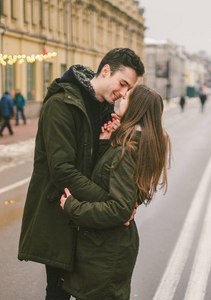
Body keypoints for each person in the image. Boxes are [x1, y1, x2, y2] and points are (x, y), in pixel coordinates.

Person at [18, 48, 145, 300]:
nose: (122, 94)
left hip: (85, 216)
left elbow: (102, 168)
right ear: (106, 70)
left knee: (85, 289)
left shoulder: (105, 109)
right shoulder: (61, 104)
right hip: (60, 214)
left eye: (127, 89)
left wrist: (107, 141)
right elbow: (62, 170)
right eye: (122, 84)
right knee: (58, 290)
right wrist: (114, 204)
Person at [59, 85, 171, 300]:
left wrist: (73, 206)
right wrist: (104, 143)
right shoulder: (135, 144)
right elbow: (108, 182)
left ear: (135, 106)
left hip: (106, 250)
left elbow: (120, 209)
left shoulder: (127, 150)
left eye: (126, 96)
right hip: (108, 246)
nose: (121, 97)